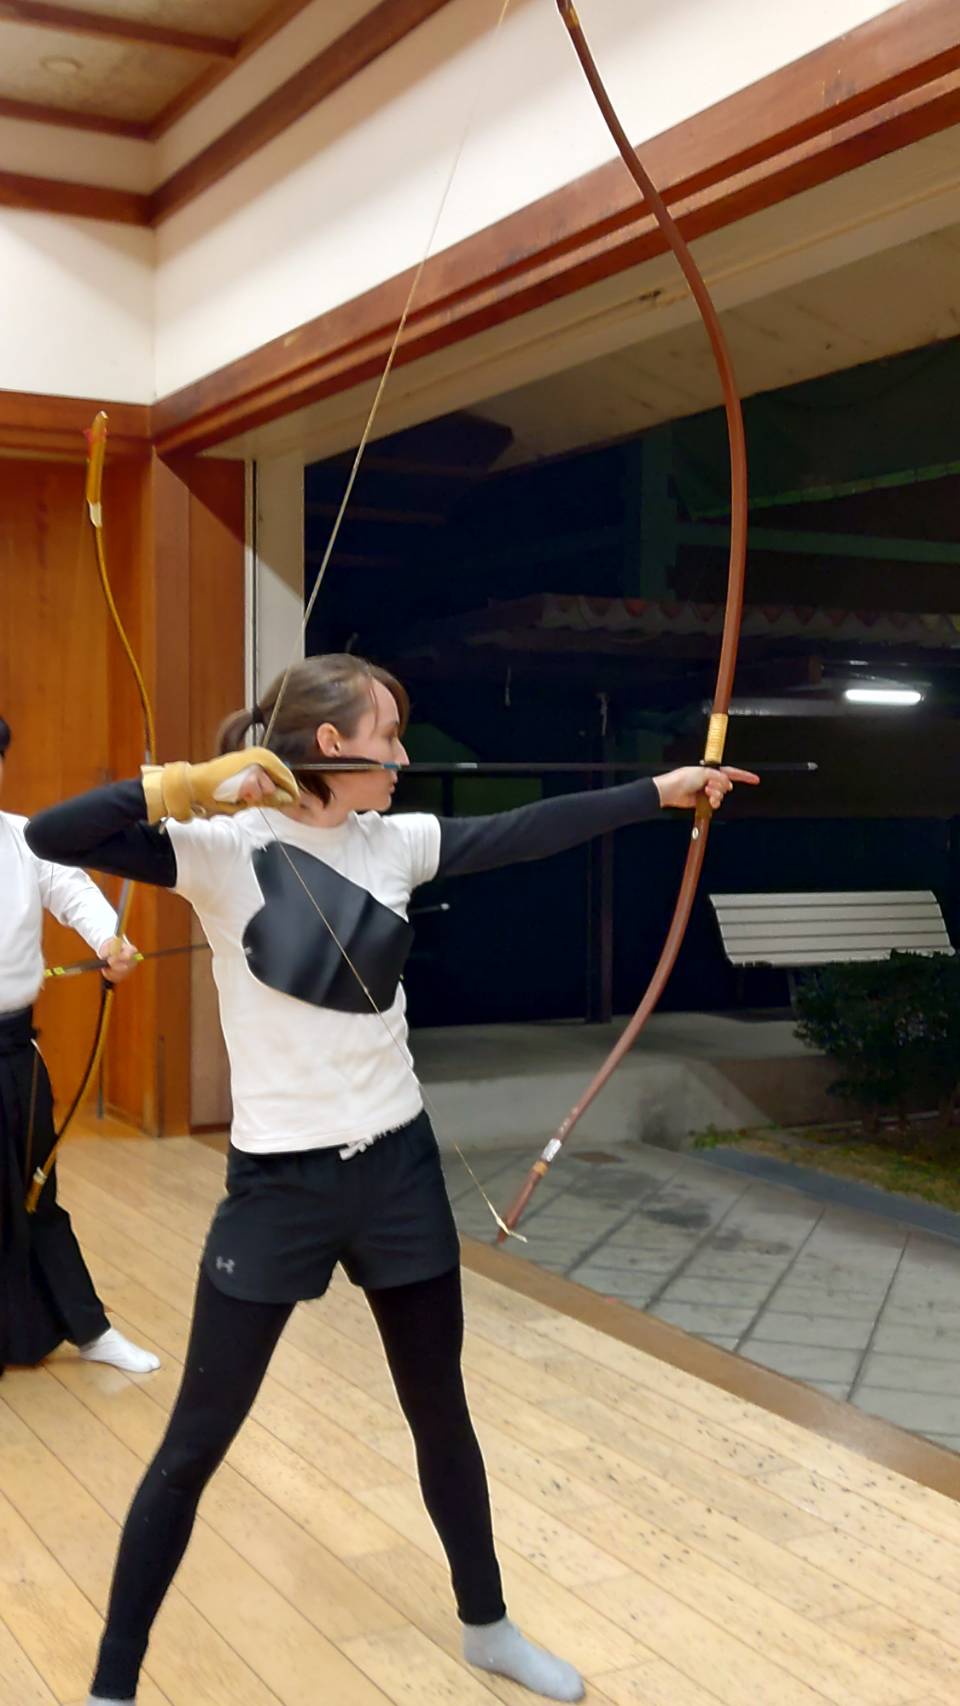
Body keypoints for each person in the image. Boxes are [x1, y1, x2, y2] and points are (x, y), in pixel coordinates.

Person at [26, 654, 758, 1705]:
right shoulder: (223, 849)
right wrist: (194, 783)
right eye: (390, 735)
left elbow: (529, 830)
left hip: (398, 1171)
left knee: (439, 1411)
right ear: (333, 744)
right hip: (279, 1188)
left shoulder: (395, 842)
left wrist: (662, 790)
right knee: (195, 1440)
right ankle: (111, 1686)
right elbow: (53, 835)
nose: (405, 756)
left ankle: (487, 1626)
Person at [0, 713, 159, 1378]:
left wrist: (109, 941)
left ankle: (88, 1329)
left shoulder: (23, 838)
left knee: (37, 1190)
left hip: (13, 1050)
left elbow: (73, 890)